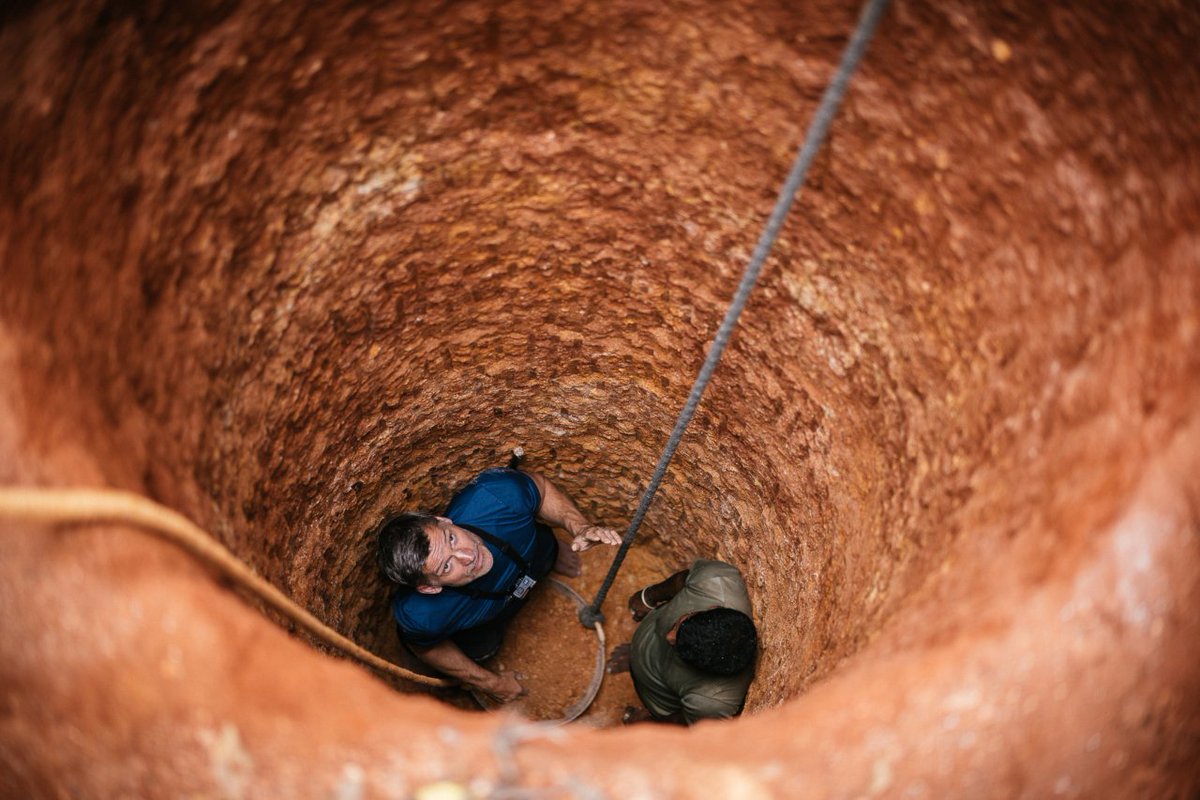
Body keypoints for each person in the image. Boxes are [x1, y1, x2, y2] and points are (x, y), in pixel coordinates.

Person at [377, 467, 620, 703]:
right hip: (487, 617)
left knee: (545, 550)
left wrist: (579, 526)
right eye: (447, 567)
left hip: (531, 559)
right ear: (430, 588)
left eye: (451, 538)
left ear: (443, 520)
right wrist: (490, 683)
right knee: (483, 649)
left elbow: (541, 490)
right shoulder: (422, 614)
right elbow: (426, 647)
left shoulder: (497, 496)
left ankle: (553, 554)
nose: (468, 555)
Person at [607, 559, 757, 725]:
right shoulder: (715, 580)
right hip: (650, 639)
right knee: (654, 644)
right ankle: (637, 655)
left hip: (658, 692)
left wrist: (646, 723)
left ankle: (639, 661)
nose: (668, 637)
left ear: (705, 670)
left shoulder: (710, 702)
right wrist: (648, 597)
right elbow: (682, 581)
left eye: (679, 648)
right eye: (681, 624)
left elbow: (679, 723)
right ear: (713, 607)